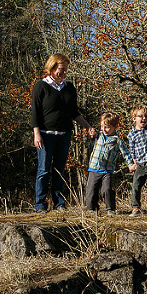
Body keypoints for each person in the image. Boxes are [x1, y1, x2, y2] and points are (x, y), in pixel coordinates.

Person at [31, 53, 95, 212]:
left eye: (66, 69)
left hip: (64, 134)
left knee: (59, 170)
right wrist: (36, 134)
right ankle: (40, 204)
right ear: (52, 68)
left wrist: (87, 126)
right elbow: (35, 112)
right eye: (61, 69)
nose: (64, 72)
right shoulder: (41, 86)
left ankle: (59, 203)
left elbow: (74, 112)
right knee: (43, 170)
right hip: (46, 134)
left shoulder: (69, 88)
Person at [86, 112, 136, 215]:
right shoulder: (98, 135)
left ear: (115, 127)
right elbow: (88, 144)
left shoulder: (117, 140)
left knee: (106, 190)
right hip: (94, 168)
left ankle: (110, 208)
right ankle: (92, 208)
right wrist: (90, 136)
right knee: (91, 190)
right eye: (102, 126)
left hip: (107, 170)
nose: (104, 129)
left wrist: (130, 164)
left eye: (107, 127)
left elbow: (125, 153)